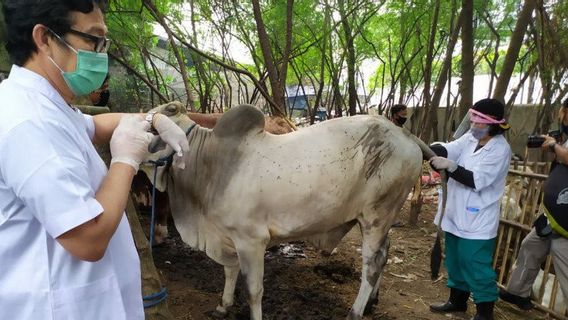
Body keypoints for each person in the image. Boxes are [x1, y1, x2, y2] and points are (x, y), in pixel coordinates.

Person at [0, 1, 189, 319]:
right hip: (57, 307)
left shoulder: (47, 104)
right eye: (93, 39)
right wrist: (126, 161)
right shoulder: (29, 122)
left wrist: (151, 119)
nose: (101, 53)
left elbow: (93, 125)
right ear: (45, 38)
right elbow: (88, 239)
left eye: (104, 42)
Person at [428, 98, 512, 320]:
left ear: (492, 124)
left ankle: (485, 311)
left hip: (478, 218)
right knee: (454, 259)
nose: (473, 125)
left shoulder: (499, 149)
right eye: (472, 120)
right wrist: (431, 150)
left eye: (478, 122)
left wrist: (451, 167)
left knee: (474, 263)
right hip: (455, 212)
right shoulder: (470, 138)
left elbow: (477, 180)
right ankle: (457, 301)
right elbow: (450, 148)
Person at [500, 98, 568, 311]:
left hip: (566, 227)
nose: (561, 116)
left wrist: (554, 145)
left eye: (562, 112)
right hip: (551, 217)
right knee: (530, 247)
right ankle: (517, 293)